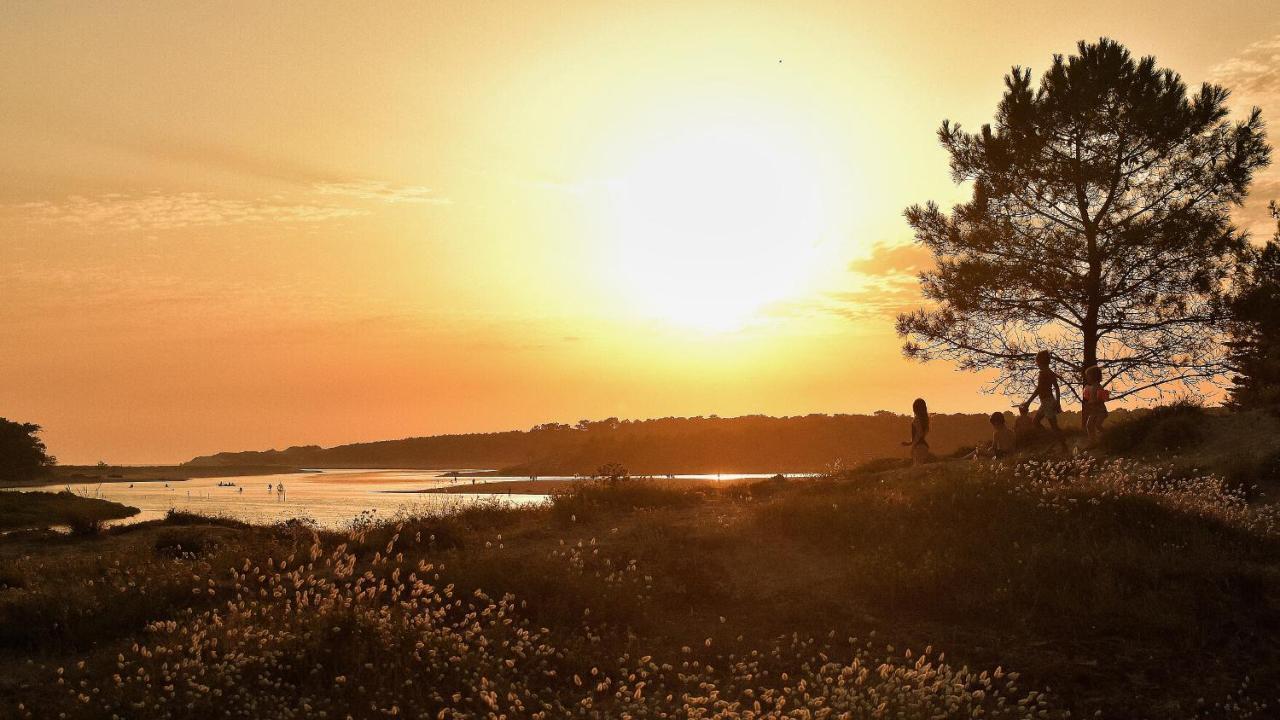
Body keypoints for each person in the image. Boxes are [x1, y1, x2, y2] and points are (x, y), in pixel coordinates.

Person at [1020, 351, 1068, 452]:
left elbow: (1039, 389)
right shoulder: (1050, 372)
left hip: (1047, 402)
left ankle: (1060, 444)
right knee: (1037, 422)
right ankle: (1057, 441)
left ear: (1040, 362)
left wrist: (1028, 402)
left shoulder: (1043, 373)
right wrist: (1057, 402)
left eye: (1037, 361)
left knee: (1051, 425)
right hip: (1048, 401)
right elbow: (1057, 388)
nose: (1036, 363)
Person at [1081, 365, 1110, 444]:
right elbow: (1091, 399)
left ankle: (1108, 435)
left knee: (1097, 425)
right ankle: (1092, 441)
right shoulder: (1091, 387)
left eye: (1088, 376)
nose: (1087, 378)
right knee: (1089, 425)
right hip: (1094, 411)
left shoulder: (1098, 387)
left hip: (1100, 411)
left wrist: (1094, 402)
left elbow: (1100, 399)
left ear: (1094, 376)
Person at [902, 398, 931, 465]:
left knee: (917, 468)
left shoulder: (916, 420)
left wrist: (913, 447)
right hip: (924, 446)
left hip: (918, 448)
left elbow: (918, 435)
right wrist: (909, 443)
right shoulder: (925, 420)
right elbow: (921, 435)